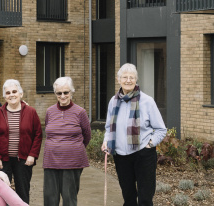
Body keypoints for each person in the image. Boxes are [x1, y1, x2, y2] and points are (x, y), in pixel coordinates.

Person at [101, 63, 167, 206]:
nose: (128, 80)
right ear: (119, 80)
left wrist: (149, 145)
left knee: (145, 198)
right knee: (128, 197)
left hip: (143, 154)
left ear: (136, 80)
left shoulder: (147, 101)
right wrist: (106, 141)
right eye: (125, 77)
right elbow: (108, 127)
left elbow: (161, 129)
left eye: (132, 77)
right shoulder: (113, 101)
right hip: (121, 156)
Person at [0, 79, 42, 204]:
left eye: (14, 91)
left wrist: (32, 155)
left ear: (21, 94)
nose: (11, 95)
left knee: (23, 190)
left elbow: (38, 135)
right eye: (8, 93)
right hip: (3, 160)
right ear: (4, 96)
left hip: (23, 159)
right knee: (3, 191)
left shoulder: (31, 112)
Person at [43, 77, 91, 206]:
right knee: (49, 198)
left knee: (69, 197)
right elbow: (49, 132)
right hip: (51, 161)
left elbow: (87, 135)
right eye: (59, 93)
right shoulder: (49, 111)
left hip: (72, 161)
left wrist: (73, 148)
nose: (63, 96)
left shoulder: (80, 112)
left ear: (71, 92)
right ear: (55, 94)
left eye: (66, 92)